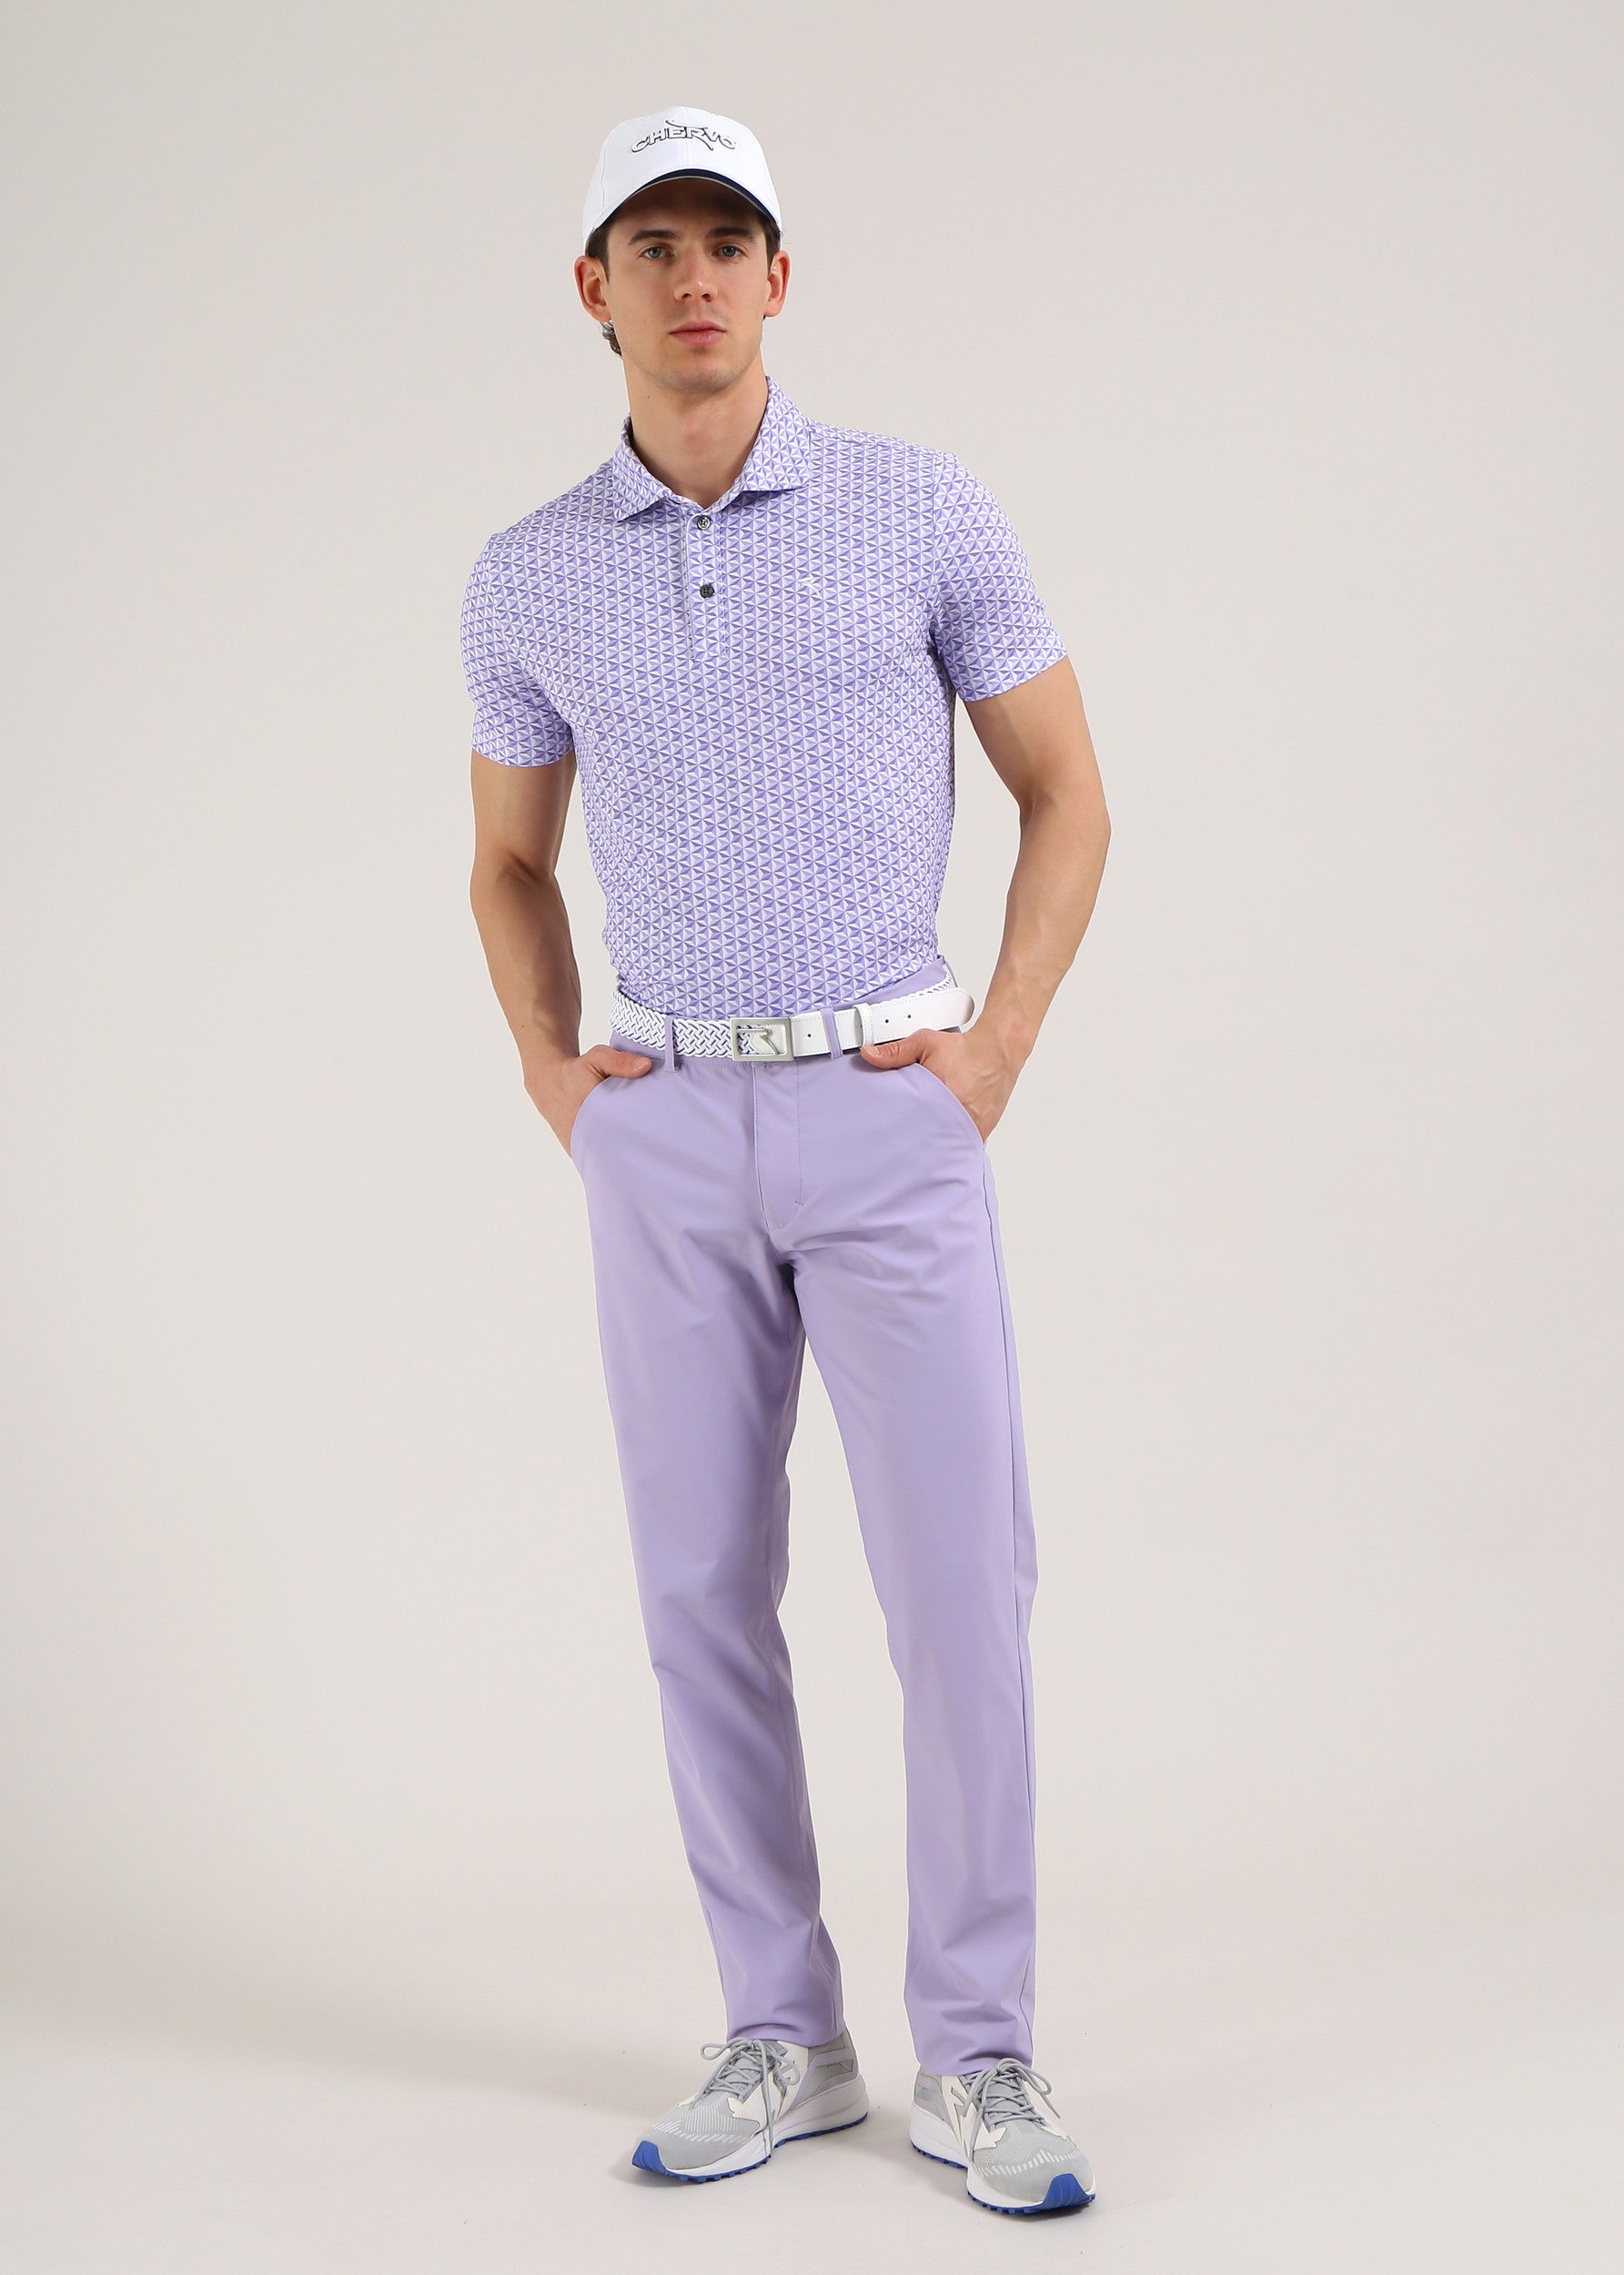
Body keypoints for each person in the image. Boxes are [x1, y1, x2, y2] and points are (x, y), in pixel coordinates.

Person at [461, 105, 1112, 2216]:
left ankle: (978, 2049)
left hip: (886, 1110)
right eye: (651, 244)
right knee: (696, 1594)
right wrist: (561, 1082)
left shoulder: (918, 504)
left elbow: (1065, 791)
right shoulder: (526, 571)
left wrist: (988, 1051)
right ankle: (784, 2026)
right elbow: (505, 859)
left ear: (778, 273)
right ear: (592, 287)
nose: (693, 277)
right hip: (662, 1132)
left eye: (726, 239)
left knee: (957, 1590)